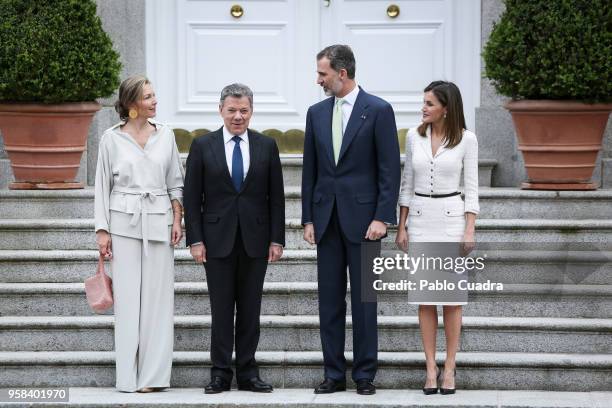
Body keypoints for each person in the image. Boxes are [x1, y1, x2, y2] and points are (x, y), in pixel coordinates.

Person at [301, 45, 401, 395]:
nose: (319, 80)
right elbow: (310, 170)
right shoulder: (315, 113)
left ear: (341, 73)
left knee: (364, 302)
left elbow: (389, 170)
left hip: (365, 223)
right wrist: (308, 218)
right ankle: (332, 374)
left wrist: (382, 217)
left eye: (322, 74)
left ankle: (364, 375)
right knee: (329, 302)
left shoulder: (378, 110)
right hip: (326, 220)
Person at [183, 83, 285, 394]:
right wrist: (195, 240)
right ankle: (220, 374)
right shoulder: (203, 145)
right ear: (221, 111)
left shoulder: (267, 145)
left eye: (244, 110)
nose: (238, 116)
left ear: (251, 111)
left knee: (251, 311)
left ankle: (248, 373)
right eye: (232, 110)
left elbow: (276, 198)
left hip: (255, 240)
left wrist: (276, 239)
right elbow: (191, 197)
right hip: (216, 241)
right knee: (222, 310)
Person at [94, 75, 184, 392]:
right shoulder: (110, 139)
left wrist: (177, 218)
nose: (154, 101)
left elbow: (176, 182)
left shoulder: (167, 136)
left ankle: (153, 378)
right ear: (132, 104)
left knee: (159, 304)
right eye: (148, 97)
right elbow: (102, 186)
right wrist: (102, 231)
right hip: (123, 225)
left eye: (154, 94)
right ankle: (128, 377)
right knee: (129, 303)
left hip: (159, 223)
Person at [396, 80, 479, 395]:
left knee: (452, 301)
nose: (423, 108)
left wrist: (469, 227)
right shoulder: (413, 137)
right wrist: (402, 226)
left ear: (446, 107)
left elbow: (471, 188)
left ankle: (450, 366)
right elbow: (406, 184)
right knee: (425, 299)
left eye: (429, 103)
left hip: (451, 220)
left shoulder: (467, 140)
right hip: (419, 220)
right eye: (424, 102)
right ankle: (430, 367)